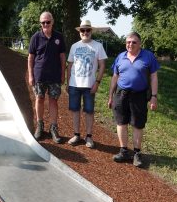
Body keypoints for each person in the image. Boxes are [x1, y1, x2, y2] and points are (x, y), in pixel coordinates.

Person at [108, 32, 159, 168]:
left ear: (140, 44)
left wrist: (154, 97)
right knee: (121, 122)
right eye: (128, 42)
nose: (130, 44)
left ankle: (136, 153)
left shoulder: (148, 56)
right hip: (121, 94)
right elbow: (114, 77)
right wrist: (110, 96)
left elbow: (154, 77)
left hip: (139, 95)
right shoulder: (120, 57)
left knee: (137, 124)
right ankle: (123, 151)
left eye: (134, 42)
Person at [66, 20, 107, 148]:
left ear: (91, 31)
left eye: (87, 30)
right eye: (82, 30)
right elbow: (70, 65)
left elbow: (102, 65)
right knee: (75, 110)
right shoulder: (74, 46)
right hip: (74, 84)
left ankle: (89, 136)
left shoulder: (98, 46)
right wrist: (68, 82)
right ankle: (76, 134)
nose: (85, 32)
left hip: (90, 85)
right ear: (79, 32)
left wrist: (97, 82)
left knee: (89, 111)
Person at [28, 11, 66, 143]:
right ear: (40, 23)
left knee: (53, 101)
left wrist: (63, 73)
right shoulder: (35, 37)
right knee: (39, 98)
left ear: (52, 22)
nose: (45, 24)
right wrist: (31, 75)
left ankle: (53, 128)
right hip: (39, 75)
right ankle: (40, 126)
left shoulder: (59, 37)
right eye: (43, 22)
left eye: (48, 22)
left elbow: (62, 57)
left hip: (55, 75)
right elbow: (31, 57)